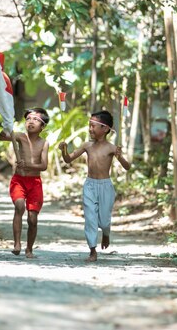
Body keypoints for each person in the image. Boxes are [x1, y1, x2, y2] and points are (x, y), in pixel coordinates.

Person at [58, 110, 131, 262]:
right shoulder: (87, 146)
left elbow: (127, 167)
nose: (90, 129)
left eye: (93, 126)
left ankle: (106, 233)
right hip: (90, 185)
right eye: (89, 126)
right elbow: (68, 159)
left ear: (105, 129)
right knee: (90, 218)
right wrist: (64, 149)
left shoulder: (111, 148)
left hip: (105, 187)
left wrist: (119, 155)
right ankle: (92, 250)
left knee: (104, 221)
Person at [0, 108, 50, 259]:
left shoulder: (44, 143)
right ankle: (17, 244)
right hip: (19, 180)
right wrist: (5, 125)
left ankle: (29, 249)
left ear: (42, 126)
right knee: (19, 206)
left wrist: (28, 166)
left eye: (35, 119)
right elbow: (2, 137)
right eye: (28, 119)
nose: (30, 122)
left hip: (34, 182)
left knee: (32, 219)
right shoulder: (20, 137)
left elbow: (44, 166)